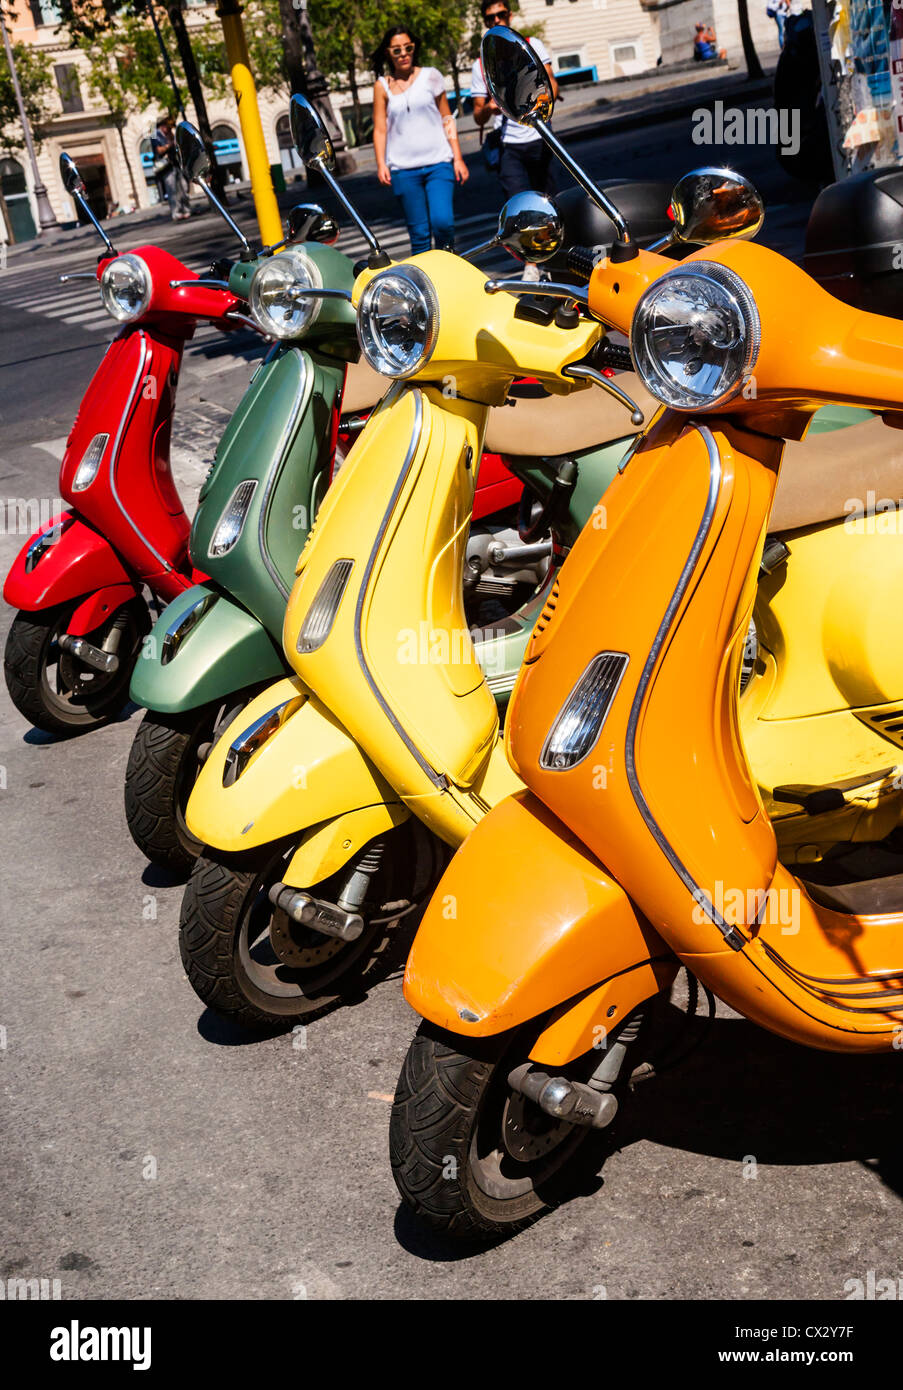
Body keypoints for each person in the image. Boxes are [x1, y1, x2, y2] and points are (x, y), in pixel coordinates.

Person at [372, 25, 469, 254]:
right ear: (388, 53)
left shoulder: (431, 76)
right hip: (403, 170)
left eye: (408, 48)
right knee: (419, 235)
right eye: (397, 50)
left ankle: (449, 273)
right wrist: (380, 164)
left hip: (439, 163)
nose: (403, 53)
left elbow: (447, 118)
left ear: (414, 49)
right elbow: (379, 129)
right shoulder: (382, 85)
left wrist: (458, 158)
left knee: (443, 222)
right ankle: (424, 287)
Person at [471, 1, 559, 200]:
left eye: (500, 14)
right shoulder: (481, 64)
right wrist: (488, 108)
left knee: (551, 201)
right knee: (519, 206)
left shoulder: (531, 45)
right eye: (490, 18)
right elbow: (478, 116)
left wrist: (542, 101)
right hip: (508, 146)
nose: (496, 20)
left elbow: (552, 83)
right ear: (485, 22)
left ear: (509, 15)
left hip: (539, 136)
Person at [151, 116, 191, 221]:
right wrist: (169, 145)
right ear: (162, 126)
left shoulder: (169, 134)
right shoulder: (155, 135)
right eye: (167, 126)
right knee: (172, 189)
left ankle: (186, 209)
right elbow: (158, 151)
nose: (169, 129)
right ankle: (176, 212)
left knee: (183, 187)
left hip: (176, 164)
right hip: (166, 166)